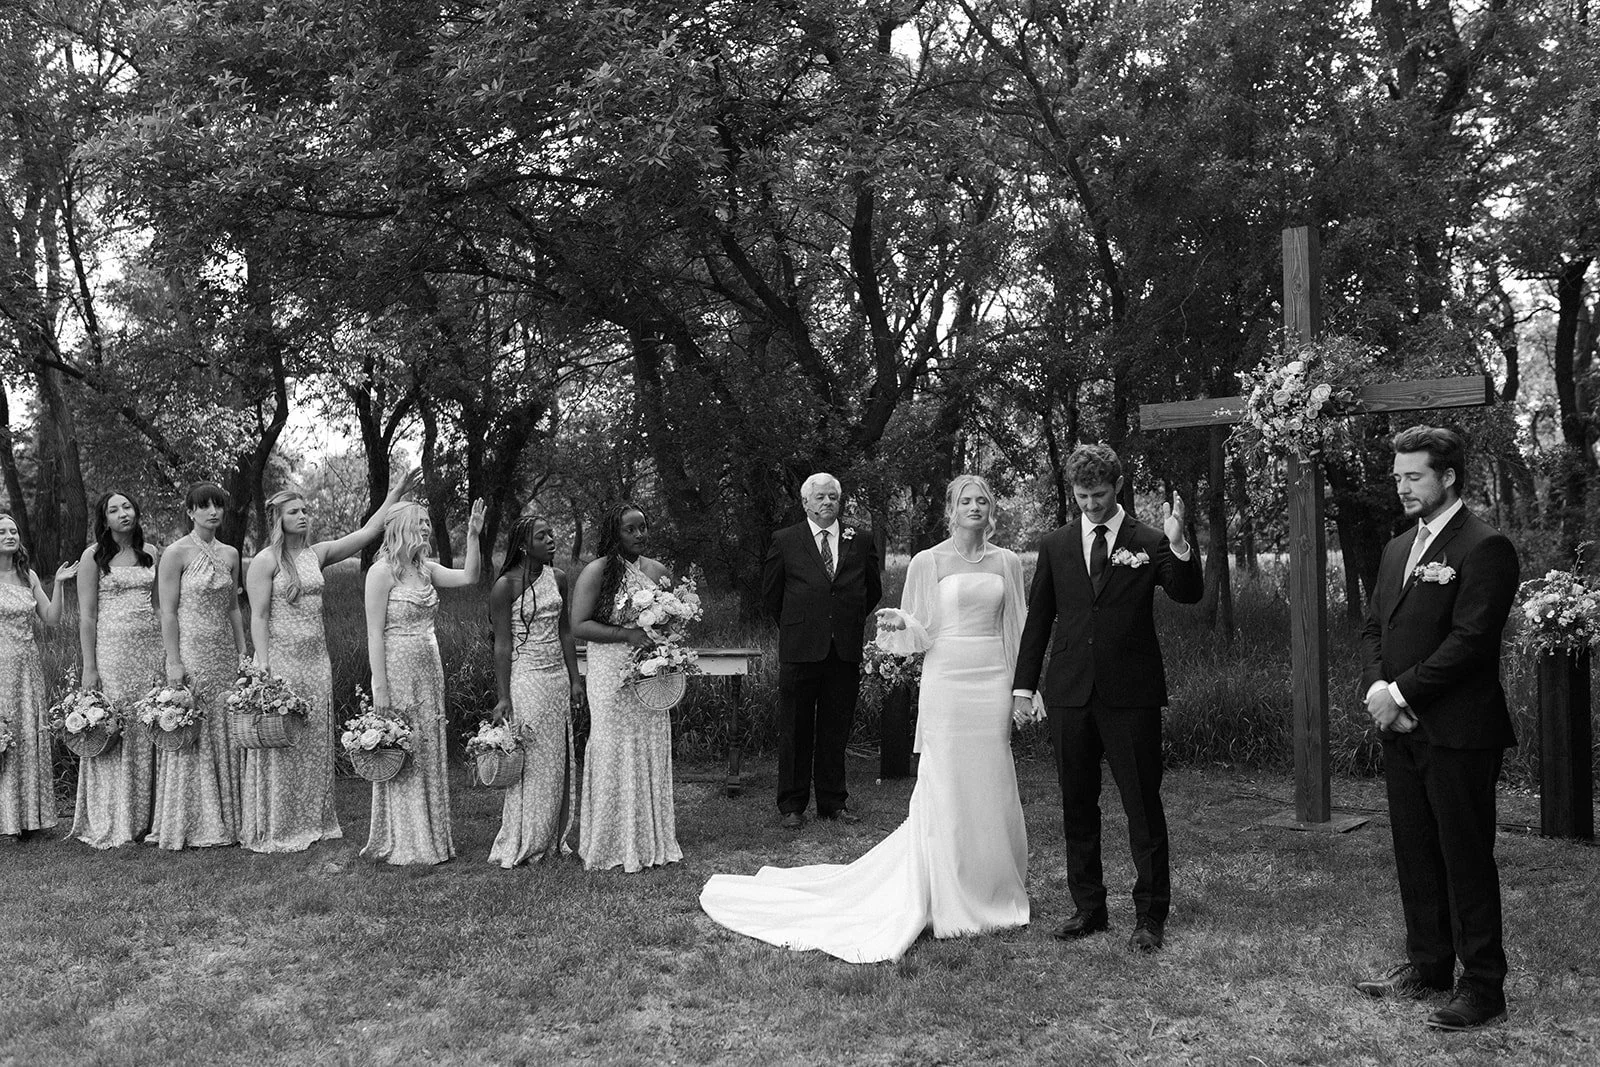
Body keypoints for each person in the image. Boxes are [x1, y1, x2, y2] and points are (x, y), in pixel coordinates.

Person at [701, 475, 1031, 962]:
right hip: (945, 681)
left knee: (993, 776)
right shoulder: (926, 560)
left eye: (982, 500)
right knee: (945, 777)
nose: (975, 507)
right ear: (950, 508)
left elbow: (1018, 627)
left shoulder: (1006, 562)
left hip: (992, 680)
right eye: (965, 500)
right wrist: (900, 625)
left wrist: (1023, 686)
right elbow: (919, 627)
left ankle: (993, 883)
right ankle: (943, 886)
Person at [1354, 425, 1519, 1031]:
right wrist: (1379, 691)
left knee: (1464, 856)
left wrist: (1401, 691)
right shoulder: (1399, 546)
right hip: (1400, 729)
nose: (1401, 487)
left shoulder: (1485, 546)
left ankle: (1483, 986)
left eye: (1413, 475)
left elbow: (1472, 642)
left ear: (1448, 476)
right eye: (1397, 476)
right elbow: (1375, 627)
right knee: (1415, 852)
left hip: (1459, 731)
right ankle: (1427, 965)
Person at [1012, 444, 1202, 953]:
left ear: (1117, 487)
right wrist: (1023, 686)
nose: (1091, 505)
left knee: (1142, 803)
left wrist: (1181, 546)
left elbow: (1188, 592)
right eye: (1082, 496)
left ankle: (1150, 914)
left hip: (1130, 694)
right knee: (1077, 802)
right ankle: (1089, 908)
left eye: (1099, 494)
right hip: (1070, 691)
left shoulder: (1150, 540)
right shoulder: (1054, 544)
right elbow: (1039, 619)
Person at [239, 470, 422, 853]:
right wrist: (264, 668)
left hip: (315, 660)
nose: (303, 516)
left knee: (311, 739)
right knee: (281, 739)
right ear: (278, 520)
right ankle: (277, 824)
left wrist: (395, 493)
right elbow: (257, 617)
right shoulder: (263, 561)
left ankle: (314, 820)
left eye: (305, 510)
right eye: (294, 512)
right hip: (281, 661)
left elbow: (370, 531)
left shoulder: (316, 554)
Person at [360, 498, 484, 866]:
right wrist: (378, 686)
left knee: (427, 744)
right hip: (396, 668)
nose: (427, 527)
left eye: (429, 521)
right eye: (420, 521)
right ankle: (403, 837)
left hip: (430, 668)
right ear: (399, 527)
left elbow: (470, 577)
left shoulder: (426, 570)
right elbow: (373, 634)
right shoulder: (381, 573)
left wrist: (474, 536)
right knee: (403, 745)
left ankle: (431, 835)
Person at [761, 472, 882, 828]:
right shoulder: (785, 540)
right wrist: (801, 624)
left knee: (836, 726)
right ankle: (792, 805)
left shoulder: (859, 540)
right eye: (820, 498)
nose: (828, 502)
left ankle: (833, 801)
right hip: (800, 648)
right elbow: (772, 596)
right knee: (795, 726)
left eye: (833, 497)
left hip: (843, 648)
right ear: (805, 503)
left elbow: (870, 590)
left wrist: (845, 620)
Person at [569, 503, 682, 872]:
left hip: (650, 675)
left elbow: (672, 623)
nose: (638, 535)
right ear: (613, 534)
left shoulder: (657, 571)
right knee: (612, 745)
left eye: (642, 528)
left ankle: (651, 838)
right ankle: (609, 841)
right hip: (609, 672)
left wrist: (665, 649)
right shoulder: (597, 572)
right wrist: (626, 634)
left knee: (649, 744)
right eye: (629, 530)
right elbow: (579, 626)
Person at [149, 482, 248, 850]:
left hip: (224, 651)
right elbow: (168, 612)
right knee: (193, 729)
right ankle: (191, 818)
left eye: (218, 506)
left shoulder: (232, 553)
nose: (213, 512)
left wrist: (243, 653)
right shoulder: (175, 553)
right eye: (204, 506)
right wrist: (174, 661)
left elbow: (235, 608)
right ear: (190, 511)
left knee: (225, 725)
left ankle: (230, 816)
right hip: (191, 649)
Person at [486, 513, 581, 868]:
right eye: (542, 536)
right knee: (532, 762)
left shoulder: (558, 578)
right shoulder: (505, 586)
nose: (551, 540)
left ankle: (553, 838)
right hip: (527, 678)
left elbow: (566, 632)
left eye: (551, 534)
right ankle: (527, 838)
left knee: (556, 761)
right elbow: (501, 646)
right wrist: (504, 695)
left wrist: (574, 679)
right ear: (524, 545)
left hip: (557, 679)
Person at [70, 491, 163, 848]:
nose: (123, 513)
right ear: (104, 519)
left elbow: (158, 606)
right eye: (114, 509)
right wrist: (89, 666)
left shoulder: (151, 552)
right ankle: (115, 816)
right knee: (115, 726)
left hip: (149, 651)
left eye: (127, 507)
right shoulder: (93, 557)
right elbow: (87, 616)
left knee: (147, 724)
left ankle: (148, 815)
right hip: (112, 651)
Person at [0, 514, 77, 842]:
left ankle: (28, 818)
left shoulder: (27, 575)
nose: (9, 535)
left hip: (28, 667)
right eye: (1, 531)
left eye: (13, 531)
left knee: (26, 736)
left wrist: (57, 583)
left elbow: (51, 618)